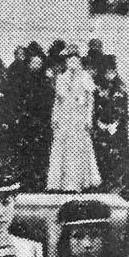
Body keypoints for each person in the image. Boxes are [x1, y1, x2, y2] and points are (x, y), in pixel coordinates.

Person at [47, 49, 102, 191]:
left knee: (77, 149)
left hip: (79, 118)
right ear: (66, 62)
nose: (72, 64)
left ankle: (78, 183)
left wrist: (88, 119)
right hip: (65, 117)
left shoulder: (85, 77)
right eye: (69, 61)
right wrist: (55, 118)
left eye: (75, 61)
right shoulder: (61, 78)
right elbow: (57, 101)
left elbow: (91, 101)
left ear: (79, 62)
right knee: (63, 149)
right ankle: (62, 184)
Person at [7, 41, 54, 190]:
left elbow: (50, 102)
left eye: (39, 62)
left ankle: (39, 181)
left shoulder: (45, 81)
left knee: (41, 152)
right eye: (33, 62)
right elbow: (16, 100)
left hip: (42, 122)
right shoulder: (22, 80)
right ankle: (25, 181)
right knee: (25, 153)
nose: (36, 65)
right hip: (25, 121)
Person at [92, 55, 129, 193]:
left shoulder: (120, 87)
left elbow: (123, 108)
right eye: (107, 72)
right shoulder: (98, 87)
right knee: (102, 156)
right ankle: (106, 181)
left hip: (116, 127)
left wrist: (115, 124)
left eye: (112, 71)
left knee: (117, 155)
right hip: (101, 126)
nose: (110, 74)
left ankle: (117, 183)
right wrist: (99, 123)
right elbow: (94, 107)